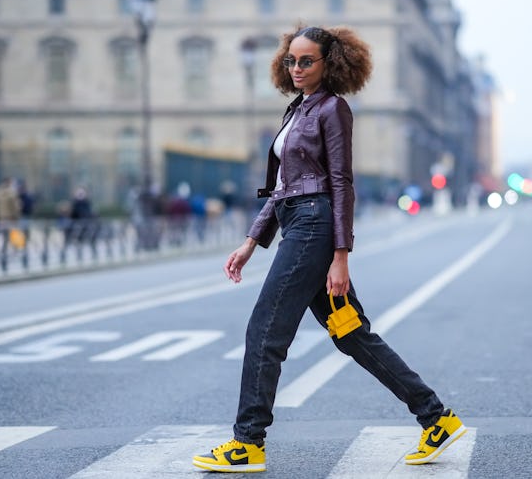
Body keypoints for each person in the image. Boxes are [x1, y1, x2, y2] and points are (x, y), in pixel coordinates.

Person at [192, 25, 466, 473]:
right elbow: (282, 188)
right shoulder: (297, 110)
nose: (297, 69)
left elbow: (340, 182)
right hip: (298, 222)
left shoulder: (332, 109)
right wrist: (250, 242)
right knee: (349, 331)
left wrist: (340, 255)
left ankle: (247, 442)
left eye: (307, 61)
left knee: (266, 330)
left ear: (330, 63)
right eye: (291, 61)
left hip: (315, 230)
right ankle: (436, 418)